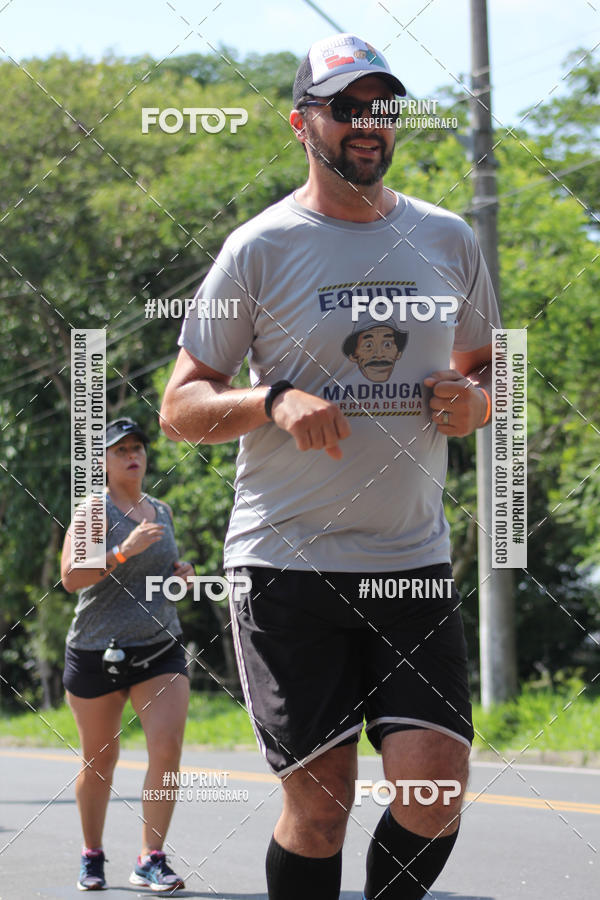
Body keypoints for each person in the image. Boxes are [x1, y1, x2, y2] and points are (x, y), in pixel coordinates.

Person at [160, 32, 498, 900]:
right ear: (302, 122)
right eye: (345, 107)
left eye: (380, 107)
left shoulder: (448, 238)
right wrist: (271, 402)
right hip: (287, 563)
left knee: (433, 790)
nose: (366, 125)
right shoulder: (261, 247)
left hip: (410, 560)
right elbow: (181, 407)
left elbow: (488, 364)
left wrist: (479, 402)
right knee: (319, 807)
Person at [60, 417, 193, 892]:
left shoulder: (162, 510)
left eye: (137, 447)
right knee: (100, 760)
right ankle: (92, 854)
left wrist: (181, 575)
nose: (132, 455)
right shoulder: (94, 512)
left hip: (159, 647)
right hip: (98, 650)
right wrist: (122, 551)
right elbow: (72, 578)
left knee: (167, 748)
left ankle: (150, 858)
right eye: (121, 450)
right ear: (104, 462)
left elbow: (162, 579)